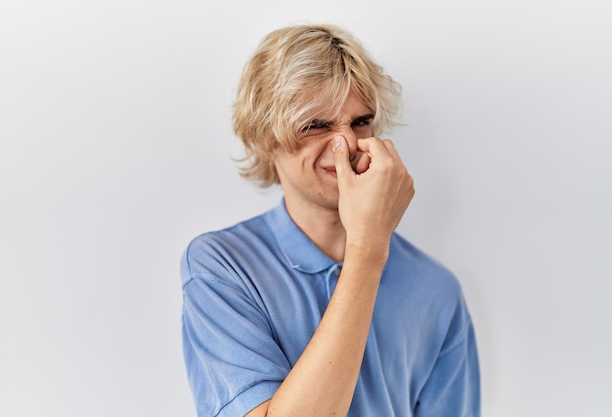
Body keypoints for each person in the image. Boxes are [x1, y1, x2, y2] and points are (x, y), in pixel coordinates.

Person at [180, 24, 480, 417]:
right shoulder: (222, 267)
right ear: (266, 139)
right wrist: (367, 250)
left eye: (360, 121)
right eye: (315, 125)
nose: (348, 144)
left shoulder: (435, 289)